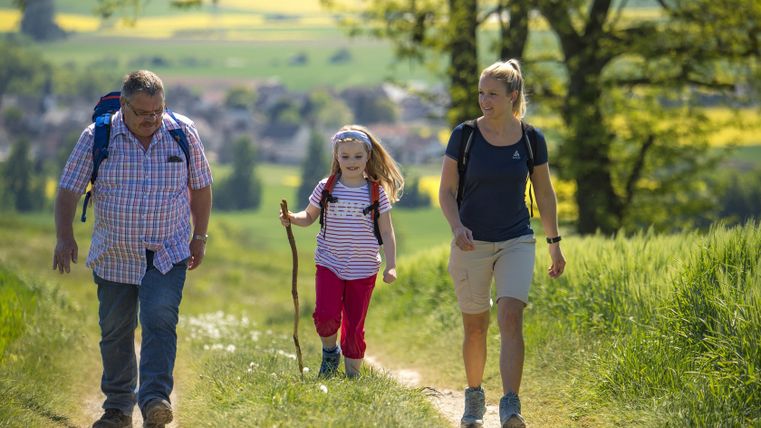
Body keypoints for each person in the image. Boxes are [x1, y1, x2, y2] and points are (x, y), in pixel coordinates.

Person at [53, 70, 213, 428]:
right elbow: (69, 189)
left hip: (167, 251)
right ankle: (117, 408)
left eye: (157, 111)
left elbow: (201, 188)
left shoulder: (181, 133)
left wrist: (199, 237)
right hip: (114, 254)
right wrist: (64, 236)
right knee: (115, 330)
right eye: (142, 112)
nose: (151, 119)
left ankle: (155, 399)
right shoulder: (98, 136)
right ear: (123, 106)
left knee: (159, 319)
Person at [438, 60, 566, 428]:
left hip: (516, 239)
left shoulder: (530, 139)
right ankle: (474, 399)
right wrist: (457, 226)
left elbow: (544, 192)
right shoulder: (464, 136)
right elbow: (446, 191)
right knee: (476, 326)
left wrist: (553, 242)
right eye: (481, 93)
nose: (484, 100)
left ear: (513, 96)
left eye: (492, 94)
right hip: (470, 243)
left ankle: (511, 405)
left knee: (511, 315)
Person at [279, 125, 403, 378]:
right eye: (345, 156)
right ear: (336, 157)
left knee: (354, 325)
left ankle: (352, 376)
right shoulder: (326, 187)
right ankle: (329, 353)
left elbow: (388, 232)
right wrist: (292, 217)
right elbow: (309, 216)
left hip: (364, 267)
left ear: (368, 156)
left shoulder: (376, 192)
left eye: (358, 156)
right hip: (329, 262)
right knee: (325, 315)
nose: (352, 161)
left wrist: (391, 265)